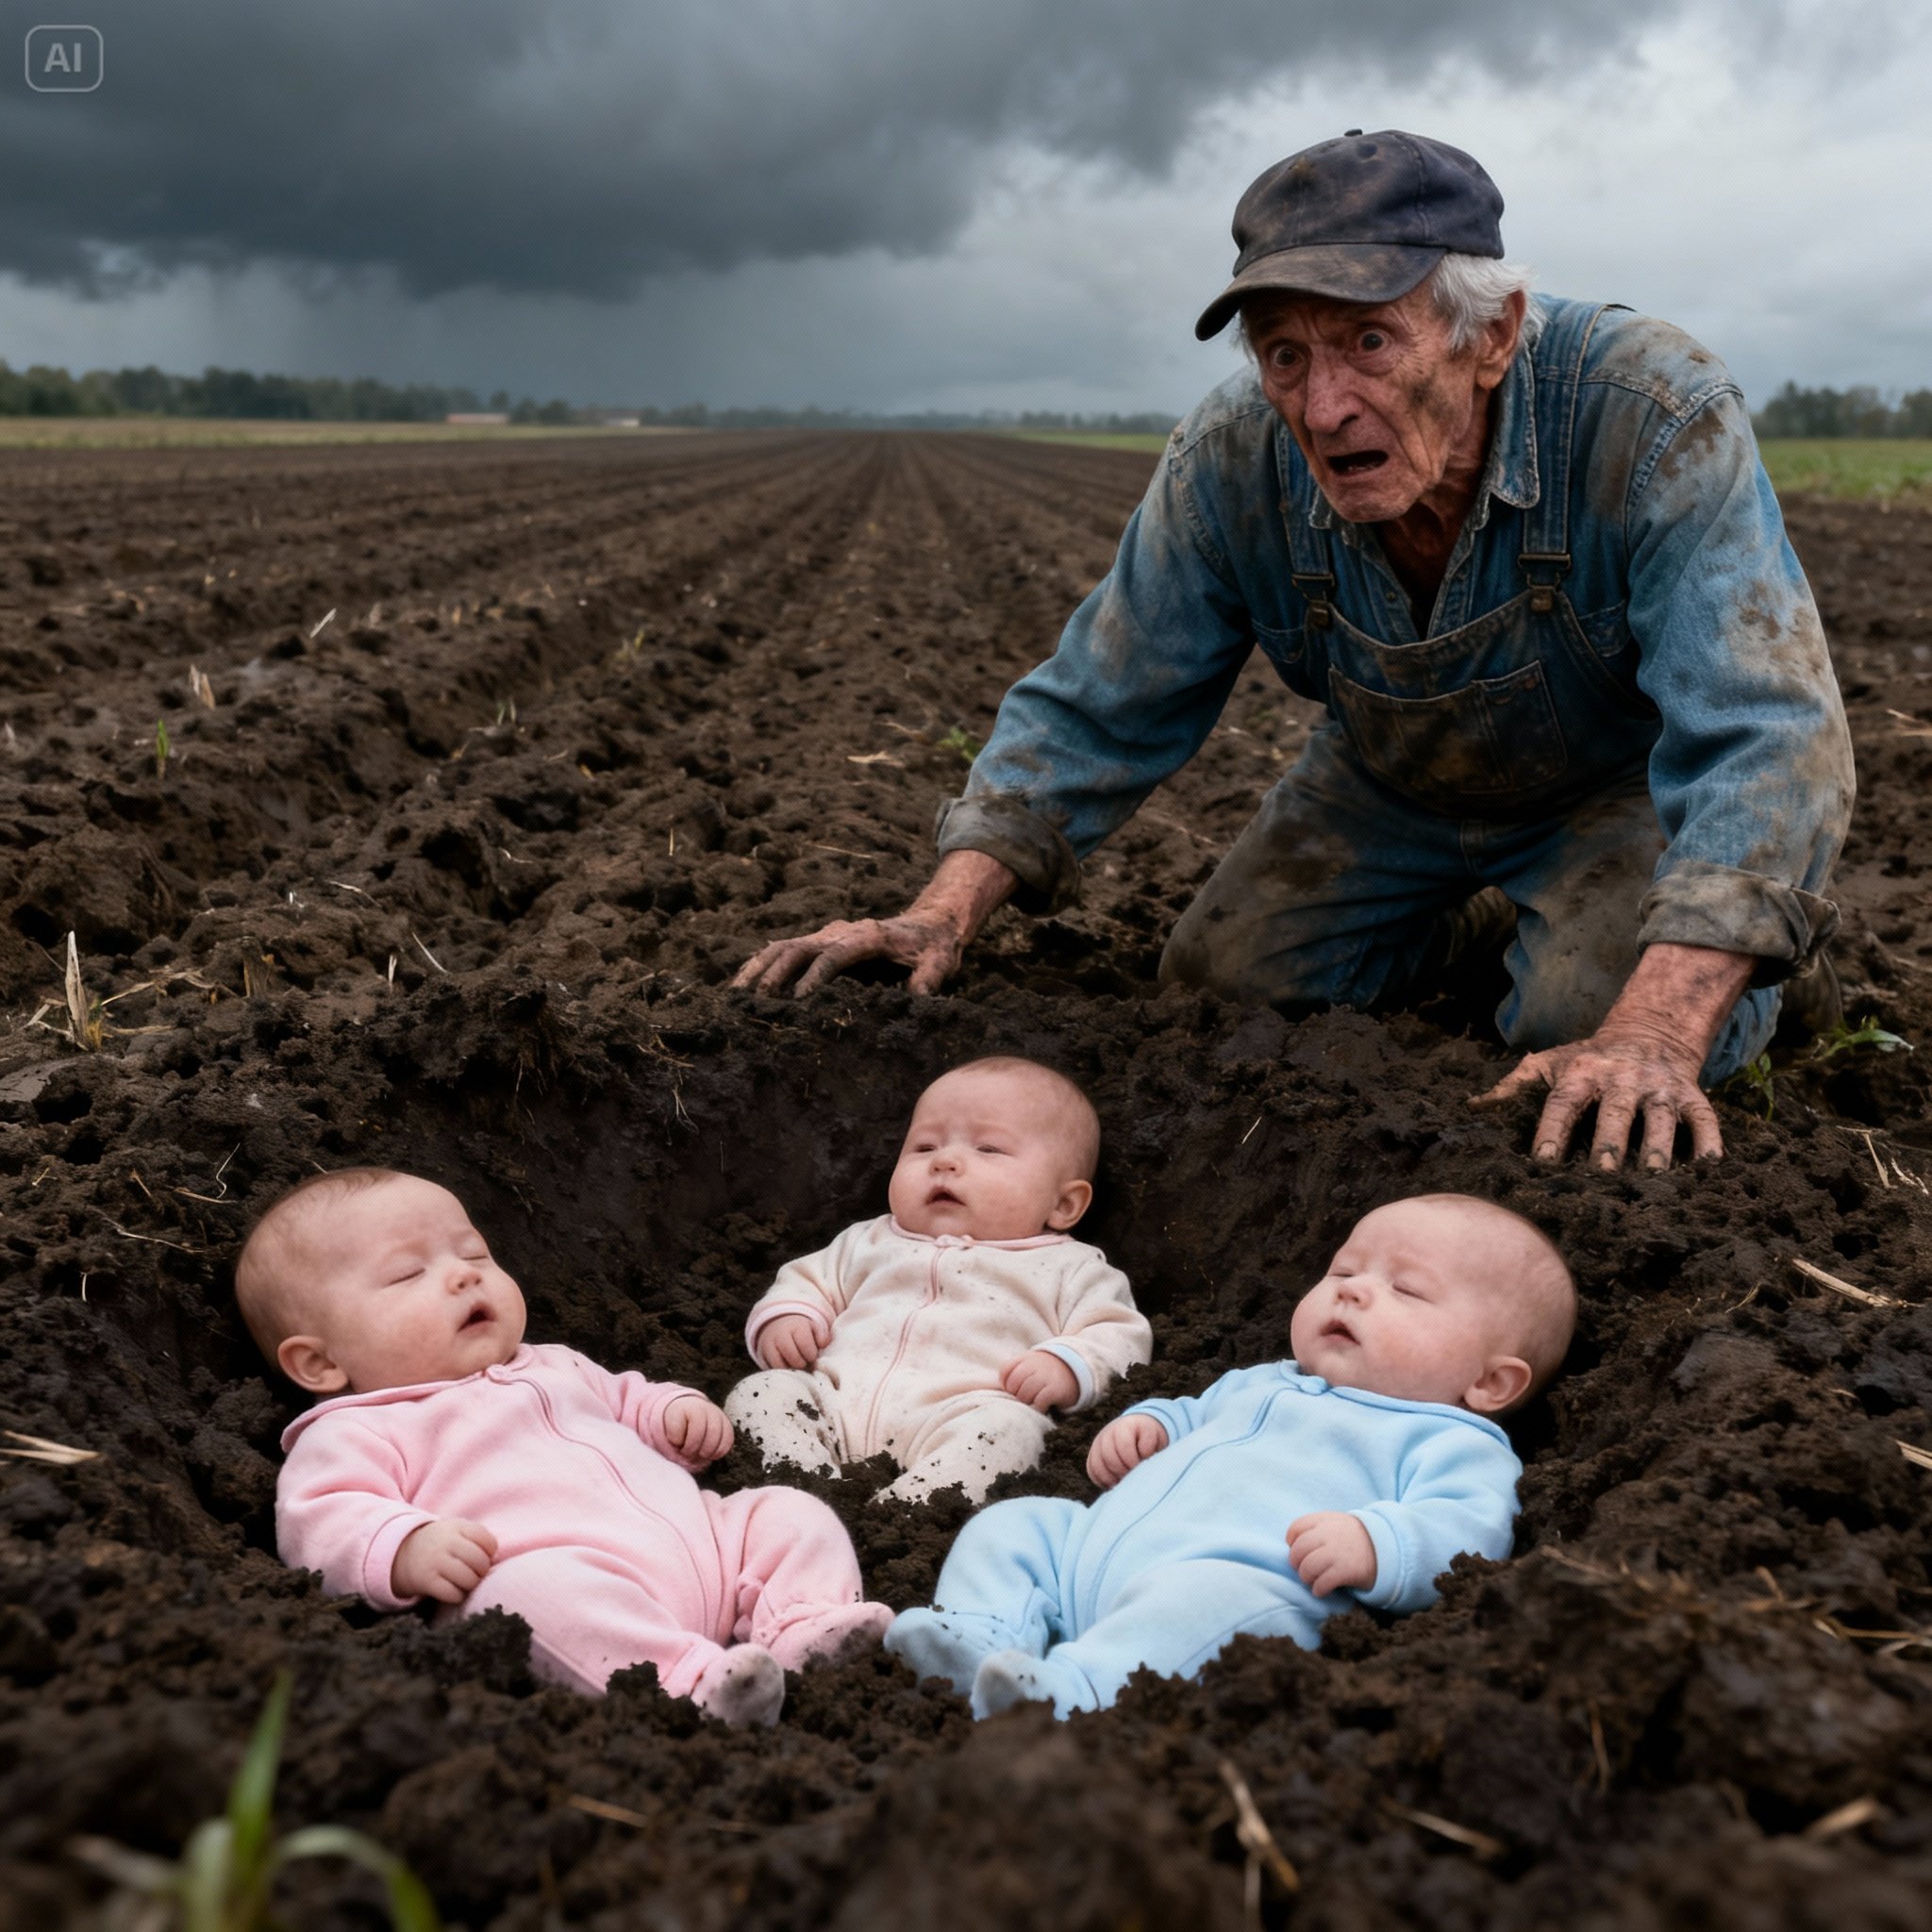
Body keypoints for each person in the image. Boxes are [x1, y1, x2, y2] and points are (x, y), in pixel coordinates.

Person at [736, 129, 1854, 1178]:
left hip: (1613, 792)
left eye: (1368, 341)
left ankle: (1752, 984)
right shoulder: (1231, 457)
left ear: (1492, 334)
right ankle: (1483, 920)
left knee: (1583, 1032)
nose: (1322, 406)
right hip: (1385, 783)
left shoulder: (1647, 413)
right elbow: (1100, 697)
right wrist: (941, 910)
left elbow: (1769, 729)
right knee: (1222, 985)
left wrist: (1653, 1028)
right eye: (1283, 354)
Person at [238, 1167, 891, 1728]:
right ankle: (686, 1687)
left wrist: (671, 1414)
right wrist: (404, 1549)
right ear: (320, 1364)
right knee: (525, 1596)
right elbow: (319, 1519)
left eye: (474, 1255)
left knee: (783, 1513)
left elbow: (625, 1399)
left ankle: (807, 1632)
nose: (464, 1278)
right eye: (409, 1274)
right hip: (575, 1589)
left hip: (705, 1550)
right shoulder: (355, 1430)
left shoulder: (552, 1363)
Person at [884, 1192, 1573, 1718]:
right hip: (1089, 1558)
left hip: (1236, 1584)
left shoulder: (1451, 1441)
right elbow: (1191, 1417)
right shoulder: (1263, 1380)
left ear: (1489, 1383)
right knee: (1020, 1525)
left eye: (1407, 1289)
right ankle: (978, 1634)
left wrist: (1378, 1542)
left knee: (1203, 1607)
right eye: (1344, 1270)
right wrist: (1147, 1426)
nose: (1353, 1289)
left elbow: (1469, 1532)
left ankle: (1075, 1694)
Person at [725, 1058, 1152, 1503]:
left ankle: (907, 1513)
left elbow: (1119, 1333)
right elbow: (806, 1281)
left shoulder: (1072, 1267)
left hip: (962, 1416)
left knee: (1011, 1432)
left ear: (1064, 1204)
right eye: (924, 1147)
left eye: (988, 1149)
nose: (945, 1161)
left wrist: (1067, 1365)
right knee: (762, 1392)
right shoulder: (866, 1241)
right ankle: (803, 1491)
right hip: (831, 1403)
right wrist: (790, 1316)